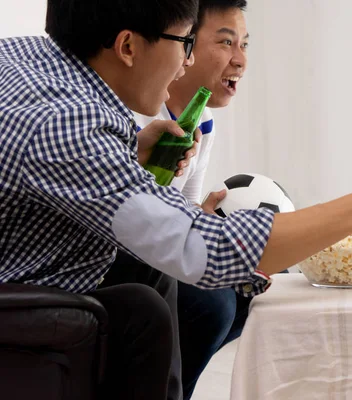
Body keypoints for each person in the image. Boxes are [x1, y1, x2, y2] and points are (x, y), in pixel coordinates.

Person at [0, 0, 352, 399]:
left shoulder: (27, 60)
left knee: (148, 293)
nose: (185, 62)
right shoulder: (68, 126)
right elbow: (205, 249)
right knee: (149, 306)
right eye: (186, 42)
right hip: (17, 294)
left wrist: (126, 154)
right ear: (127, 46)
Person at [125, 1, 256, 398]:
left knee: (256, 287)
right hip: (129, 256)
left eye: (245, 45)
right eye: (226, 42)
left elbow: (187, 209)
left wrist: (209, 218)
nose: (240, 61)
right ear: (185, 41)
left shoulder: (202, 122)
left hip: (157, 248)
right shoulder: (134, 116)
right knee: (210, 303)